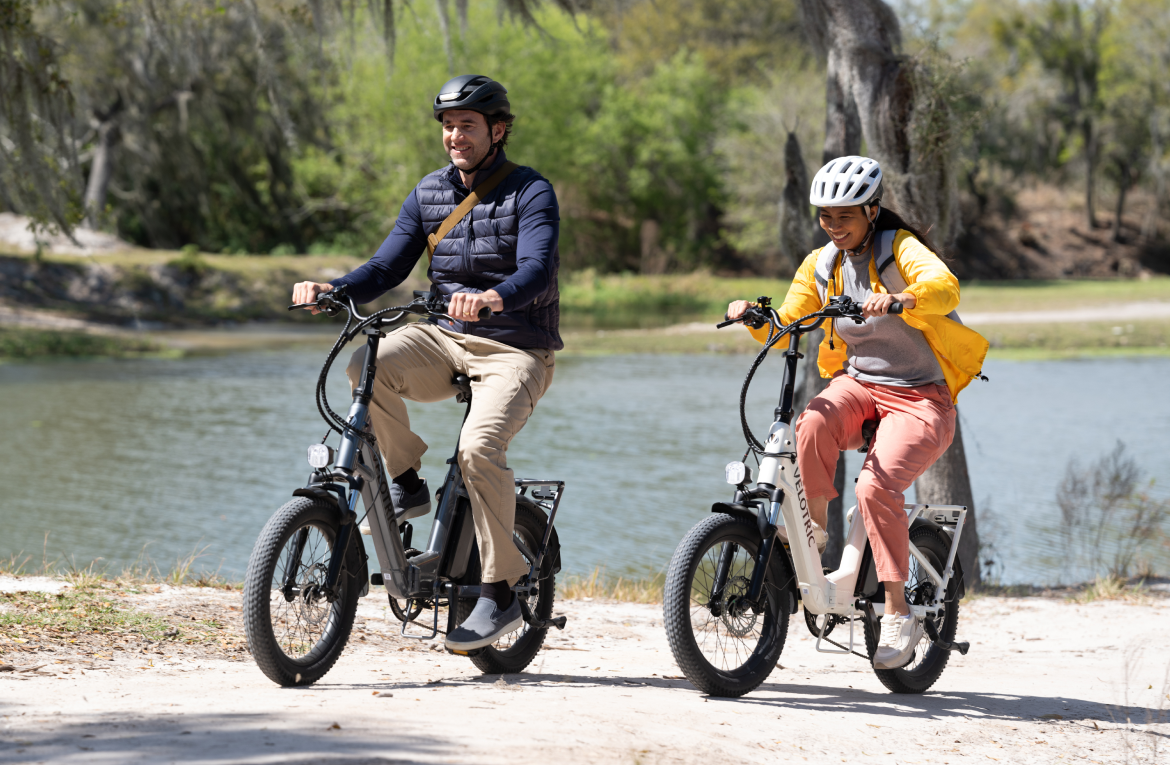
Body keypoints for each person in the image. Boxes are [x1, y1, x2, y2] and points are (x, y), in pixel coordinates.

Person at [291, 74, 561, 651]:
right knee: (366, 365)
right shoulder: (430, 192)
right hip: (445, 338)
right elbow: (387, 266)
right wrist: (333, 288)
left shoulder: (532, 192)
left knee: (477, 450)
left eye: (467, 125)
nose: (455, 136)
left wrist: (494, 296)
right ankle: (408, 481)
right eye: (447, 126)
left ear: (498, 129)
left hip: (516, 347)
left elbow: (537, 269)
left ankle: (500, 593)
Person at [726, 155, 987, 670]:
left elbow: (945, 287)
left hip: (922, 397)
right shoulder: (822, 264)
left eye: (844, 215)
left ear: (871, 210)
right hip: (862, 385)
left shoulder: (901, 250)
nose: (833, 225)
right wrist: (755, 316)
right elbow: (790, 319)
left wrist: (902, 298)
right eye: (825, 215)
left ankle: (898, 610)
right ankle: (814, 534)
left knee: (874, 487)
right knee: (813, 421)